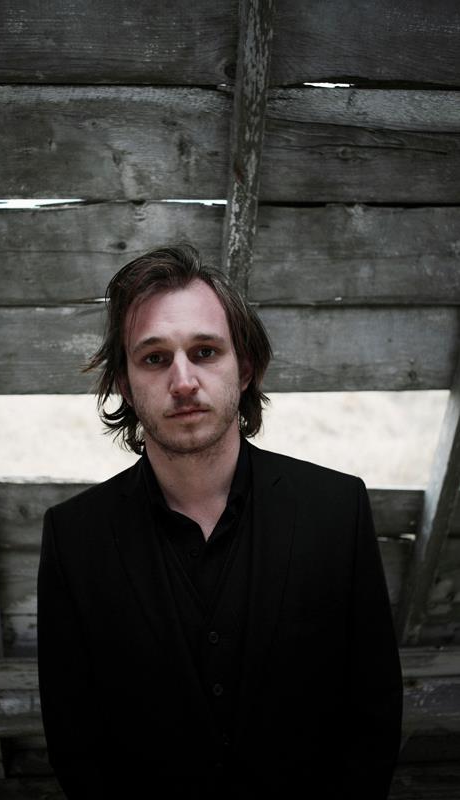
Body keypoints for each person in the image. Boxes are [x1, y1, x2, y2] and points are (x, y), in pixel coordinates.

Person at [37, 243, 403, 799]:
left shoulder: (337, 509)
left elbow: (373, 715)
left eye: (205, 351)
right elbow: (75, 742)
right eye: (154, 358)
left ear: (245, 367)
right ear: (124, 385)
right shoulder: (73, 538)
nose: (183, 380)